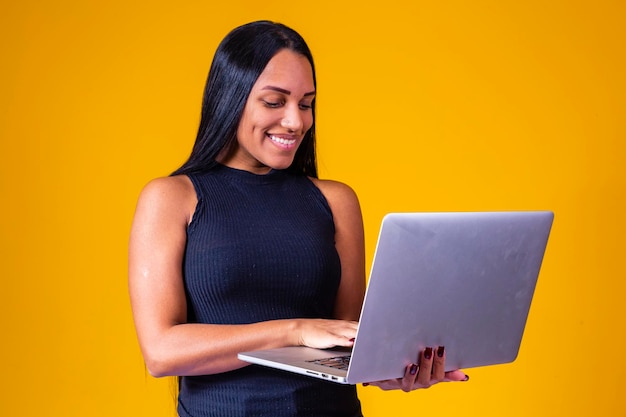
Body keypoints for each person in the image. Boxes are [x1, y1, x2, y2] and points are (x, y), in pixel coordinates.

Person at [128, 20, 468, 417]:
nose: (296, 122)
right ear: (229, 99)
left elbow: (345, 342)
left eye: (306, 104)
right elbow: (161, 352)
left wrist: (390, 369)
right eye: (275, 102)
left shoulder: (336, 200)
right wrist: (293, 330)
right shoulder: (172, 198)